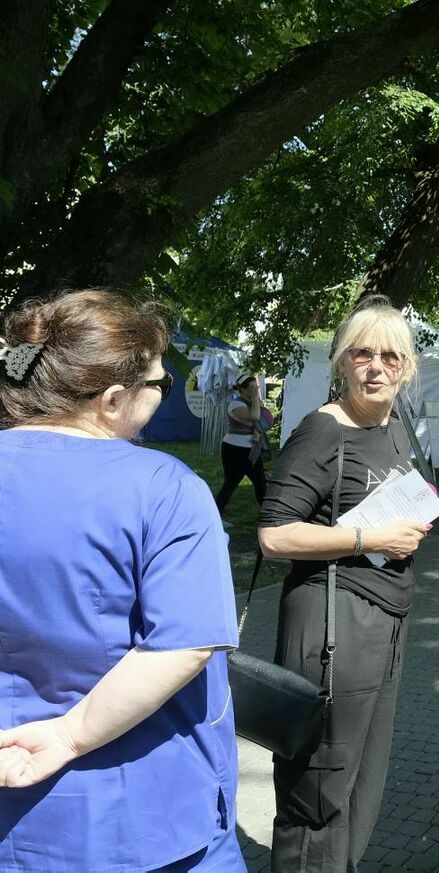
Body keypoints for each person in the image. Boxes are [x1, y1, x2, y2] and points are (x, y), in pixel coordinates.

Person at [0, 290, 243, 871]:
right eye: (159, 384)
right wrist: (70, 735)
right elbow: (182, 643)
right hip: (140, 818)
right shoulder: (164, 486)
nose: (164, 396)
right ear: (113, 399)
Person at [258, 295, 431, 871]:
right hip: (332, 624)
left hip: (386, 622)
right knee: (319, 786)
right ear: (341, 362)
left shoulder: (397, 427)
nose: (376, 367)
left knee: (363, 780)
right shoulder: (322, 430)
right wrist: (369, 540)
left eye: (390, 355)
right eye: (362, 354)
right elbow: (275, 536)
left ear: (407, 367)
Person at [215, 371, 270, 516]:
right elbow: (255, 417)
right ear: (242, 389)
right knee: (230, 484)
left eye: (256, 387)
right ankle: (214, 515)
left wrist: (255, 402)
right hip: (235, 450)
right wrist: (256, 400)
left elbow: (267, 420)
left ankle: (268, 517)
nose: (255, 390)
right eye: (251, 387)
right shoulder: (236, 404)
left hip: (252, 450)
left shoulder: (252, 403)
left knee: (261, 483)